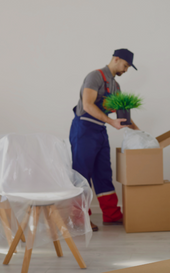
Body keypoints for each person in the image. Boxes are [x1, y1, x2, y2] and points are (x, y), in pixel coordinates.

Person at [70, 48, 139, 232]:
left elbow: (124, 116)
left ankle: (111, 215)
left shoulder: (116, 87)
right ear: (116, 59)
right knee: (82, 174)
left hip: (99, 131)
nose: (125, 70)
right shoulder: (95, 77)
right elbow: (87, 104)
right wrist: (110, 121)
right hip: (84, 128)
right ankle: (80, 218)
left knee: (103, 173)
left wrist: (140, 133)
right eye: (125, 65)